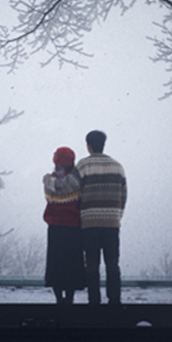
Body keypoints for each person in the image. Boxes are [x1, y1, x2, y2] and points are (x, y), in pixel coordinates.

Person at [76, 131, 127, 306]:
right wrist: (116, 216)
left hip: (89, 223)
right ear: (103, 144)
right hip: (112, 223)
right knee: (112, 263)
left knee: (91, 264)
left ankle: (94, 301)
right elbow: (123, 196)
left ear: (88, 145)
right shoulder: (118, 166)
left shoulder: (82, 166)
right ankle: (114, 300)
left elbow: (74, 193)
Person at [42, 147, 85, 304]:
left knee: (57, 264)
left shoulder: (48, 181)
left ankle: (59, 299)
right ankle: (70, 298)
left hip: (55, 228)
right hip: (74, 228)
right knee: (72, 264)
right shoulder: (77, 181)